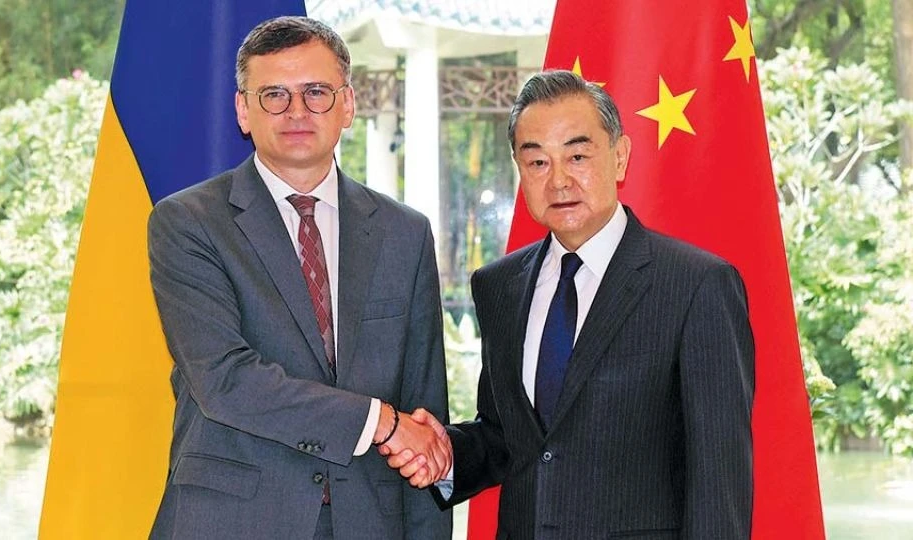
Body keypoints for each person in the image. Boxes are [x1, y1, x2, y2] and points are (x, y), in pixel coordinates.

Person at [387, 70, 754, 539]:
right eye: (537, 162)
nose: (559, 180)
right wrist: (443, 452)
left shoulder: (697, 285)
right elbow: (509, 438)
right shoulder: (499, 286)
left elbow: (718, 480)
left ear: (619, 157)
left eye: (577, 156)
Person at [147, 16, 451, 540]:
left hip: (370, 521)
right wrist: (380, 420)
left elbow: (424, 411)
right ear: (243, 110)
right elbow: (225, 380)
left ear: (347, 105)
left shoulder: (406, 232)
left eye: (316, 92)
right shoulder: (187, 223)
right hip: (233, 520)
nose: (296, 112)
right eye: (274, 96)